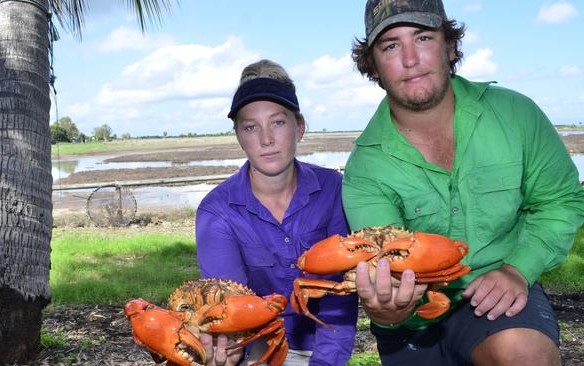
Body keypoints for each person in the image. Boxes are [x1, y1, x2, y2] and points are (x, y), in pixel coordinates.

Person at [343, 1, 584, 365]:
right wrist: (387, 311)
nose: (410, 59)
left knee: (524, 355)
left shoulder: (516, 115)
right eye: (391, 45)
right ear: (373, 65)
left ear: (450, 46)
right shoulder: (365, 167)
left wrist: (519, 268)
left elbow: (561, 201)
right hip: (412, 315)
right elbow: (384, 272)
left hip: (499, 287)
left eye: (423, 37)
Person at [196, 59, 358, 366]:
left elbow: (342, 295)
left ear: (299, 128)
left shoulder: (333, 189)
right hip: (257, 347)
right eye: (250, 127)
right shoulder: (216, 211)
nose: (266, 139)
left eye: (278, 123)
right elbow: (231, 308)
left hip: (323, 346)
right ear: (239, 137)